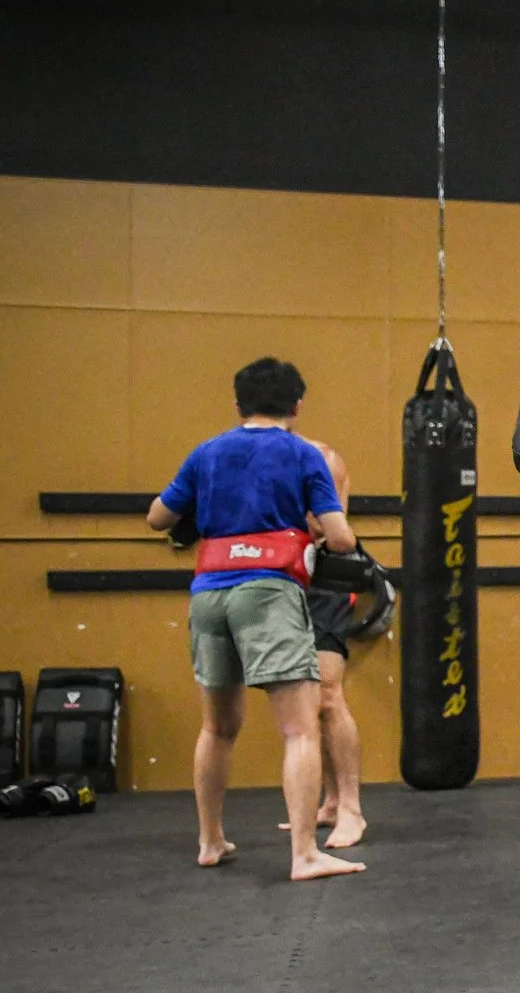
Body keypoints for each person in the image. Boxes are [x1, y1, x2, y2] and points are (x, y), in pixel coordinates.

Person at [145, 358, 367, 882]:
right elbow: (340, 537)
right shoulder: (301, 453)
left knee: (217, 727)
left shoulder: (207, 452)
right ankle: (305, 854)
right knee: (298, 730)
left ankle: (209, 840)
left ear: (237, 403)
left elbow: (158, 517)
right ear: (297, 405)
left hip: (208, 594)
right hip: (268, 590)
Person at [292, 433, 368, 849]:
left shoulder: (323, 458)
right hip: (287, 582)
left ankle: (352, 810)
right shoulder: (269, 457)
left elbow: (328, 527)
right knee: (305, 701)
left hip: (326, 582)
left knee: (328, 693)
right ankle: (330, 802)